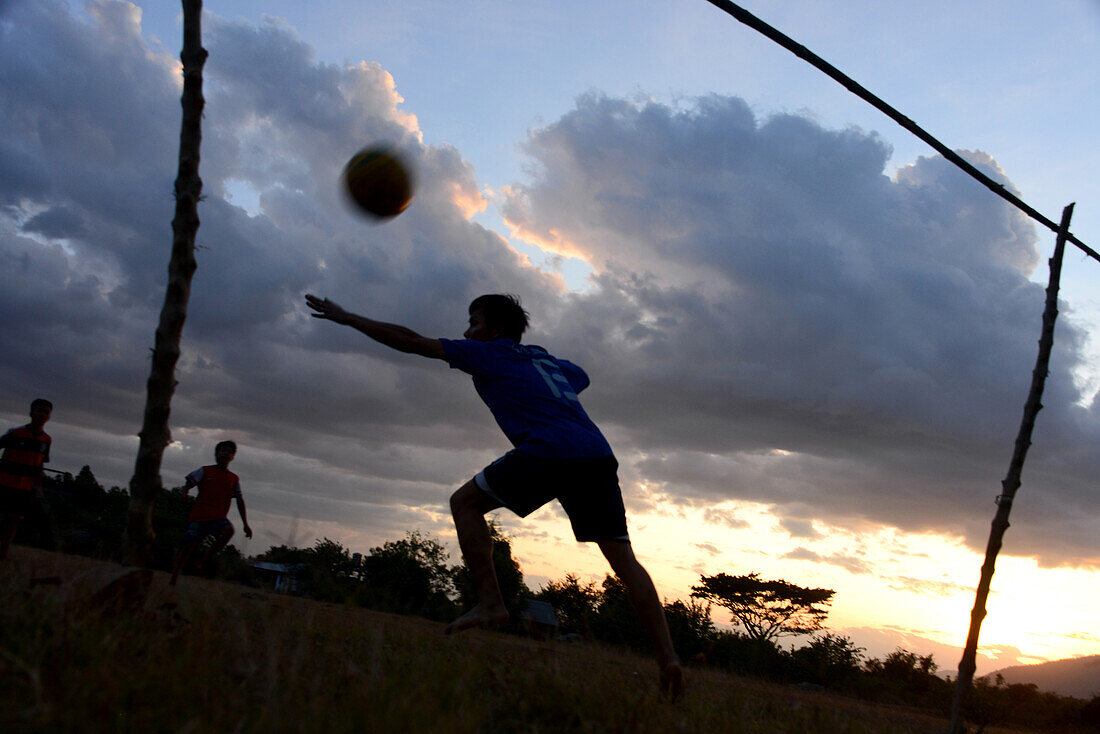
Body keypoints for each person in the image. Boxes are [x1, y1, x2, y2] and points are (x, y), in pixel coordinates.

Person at [305, 292, 683, 698]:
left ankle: (490, 603)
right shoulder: (545, 360)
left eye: (474, 323)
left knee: (464, 503)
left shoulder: (489, 354)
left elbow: (413, 342)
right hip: (596, 455)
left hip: (550, 449)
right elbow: (581, 375)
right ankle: (668, 660)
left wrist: (350, 318)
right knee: (625, 562)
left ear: (497, 330)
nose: (467, 332)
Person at [170, 440, 252, 586]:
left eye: (229, 452)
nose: (226, 454)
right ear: (217, 453)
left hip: (218, 518)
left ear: (233, 456)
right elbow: (188, 484)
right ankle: (174, 579)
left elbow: (239, 500)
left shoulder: (233, 479)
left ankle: (202, 561)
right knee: (188, 547)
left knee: (229, 531)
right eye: (223, 451)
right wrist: (184, 492)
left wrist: (246, 524)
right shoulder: (205, 470)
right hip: (199, 516)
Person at [0, 398, 53, 560]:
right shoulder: (15, 433)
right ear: (31, 413)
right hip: (5, 482)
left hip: (24, 487)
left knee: (14, 520)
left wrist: (39, 488)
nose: (42, 415)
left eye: (46, 412)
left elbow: (40, 465)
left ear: (49, 416)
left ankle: (3, 553)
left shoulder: (46, 440)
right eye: (39, 411)